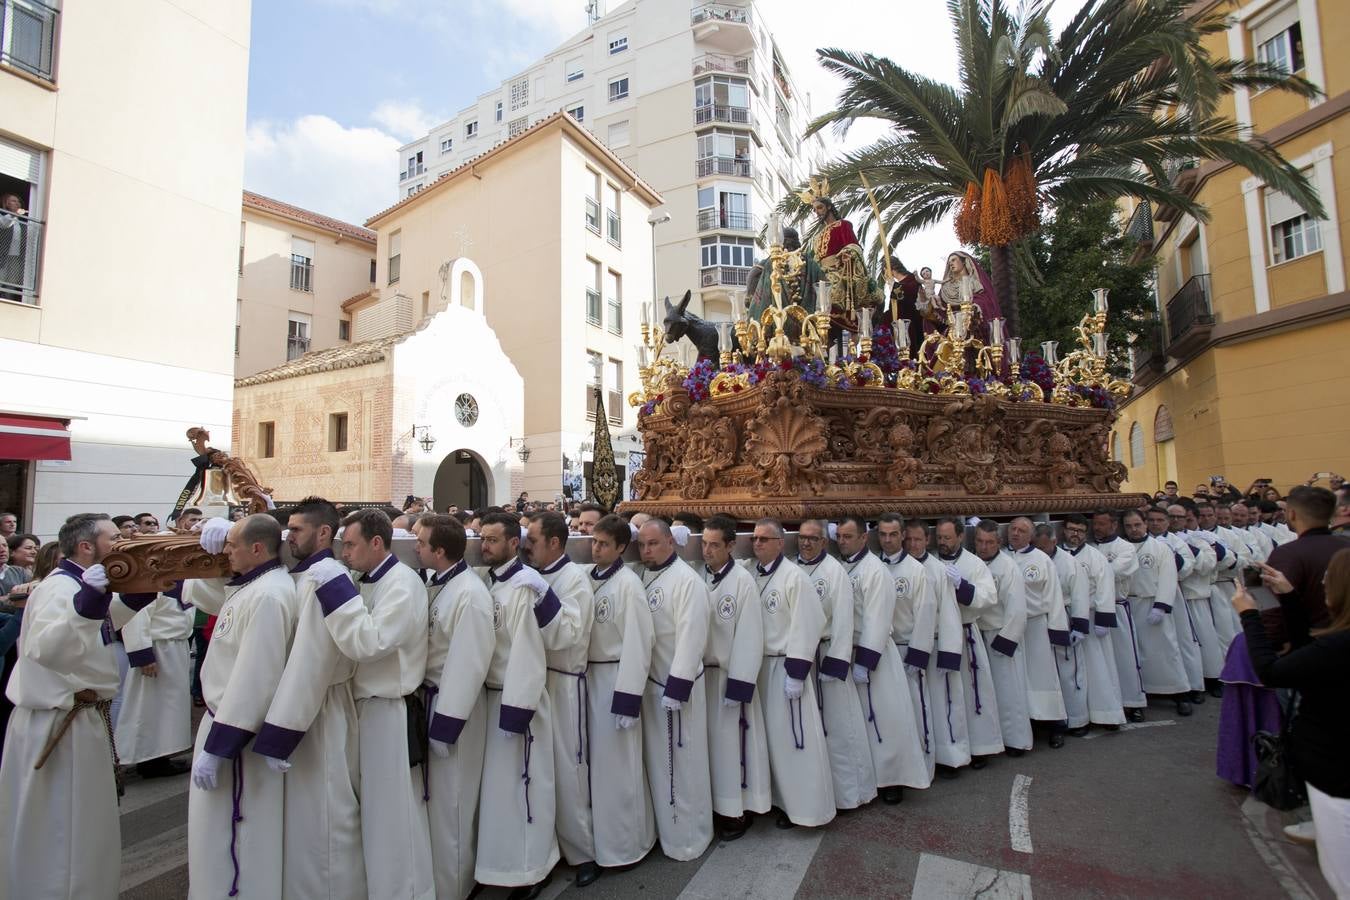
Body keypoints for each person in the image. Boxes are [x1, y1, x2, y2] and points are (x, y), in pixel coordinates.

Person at [304, 508, 435, 900]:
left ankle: (405, 891)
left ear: (376, 543)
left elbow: (372, 642)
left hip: (386, 708)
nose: (344, 553)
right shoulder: (365, 578)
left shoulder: (402, 584)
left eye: (351, 545)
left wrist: (337, 596)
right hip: (360, 706)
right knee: (365, 810)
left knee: (390, 812)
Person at [0, 514, 122, 900]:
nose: (123, 543)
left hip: (75, 718)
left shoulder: (78, 583)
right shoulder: (59, 588)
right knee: (63, 828)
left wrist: (132, 601)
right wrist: (88, 604)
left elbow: (96, 633)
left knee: (81, 824)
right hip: (59, 722)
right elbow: (48, 648)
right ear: (87, 547)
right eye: (114, 539)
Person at [250, 497, 365, 900]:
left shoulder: (328, 577)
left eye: (296, 529)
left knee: (327, 815)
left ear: (323, 533)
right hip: (297, 706)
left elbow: (313, 658)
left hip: (319, 707)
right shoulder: (298, 574)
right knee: (302, 816)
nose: (288, 536)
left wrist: (283, 730)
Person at [181, 514, 298, 899]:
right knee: (211, 831)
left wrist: (220, 748)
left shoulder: (269, 594)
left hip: (236, 734)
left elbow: (256, 675)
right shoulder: (254, 585)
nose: (225, 551)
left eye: (232, 545)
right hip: (221, 720)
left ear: (258, 548)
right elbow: (216, 597)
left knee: (237, 832)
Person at [1235, 554, 1350, 898]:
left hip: (1337, 775)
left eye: (1329, 578)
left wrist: (1250, 615)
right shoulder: (1336, 644)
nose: (1322, 582)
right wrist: (1287, 598)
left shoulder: (1340, 647)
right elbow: (1307, 654)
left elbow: (1272, 672)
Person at [474, 511, 560, 898]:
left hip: (516, 701)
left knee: (525, 787)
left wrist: (518, 708)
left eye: (493, 540)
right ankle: (501, 866)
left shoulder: (523, 585)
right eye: (482, 539)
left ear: (513, 543)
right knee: (497, 793)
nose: (485, 546)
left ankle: (532, 868)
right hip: (491, 698)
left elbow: (528, 653)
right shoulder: (484, 582)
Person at [416, 514, 494, 900]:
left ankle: (457, 887)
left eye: (420, 542)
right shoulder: (439, 584)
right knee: (436, 799)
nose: (414, 548)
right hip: (432, 700)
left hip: (454, 708)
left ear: (439, 550)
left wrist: (447, 725)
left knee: (454, 801)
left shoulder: (469, 594)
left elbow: (469, 663)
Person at [524, 511, 598, 886]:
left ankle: (583, 852)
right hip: (537, 682)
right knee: (539, 772)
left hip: (565, 682)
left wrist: (541, 596)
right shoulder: (536, 574)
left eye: (533, 540)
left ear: (555, 542)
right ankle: (546, 850)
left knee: (570, 769)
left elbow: (567, 634)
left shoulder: (574, 580)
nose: (526, 547)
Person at [747, 517, 834, 827]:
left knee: (792, 740)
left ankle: (803, 807)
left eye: (765, 539)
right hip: (758, 666)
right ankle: (773, 799)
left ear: (781, 544)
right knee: (765, 740)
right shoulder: (750, 574)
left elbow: (809, 623)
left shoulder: (794, 578)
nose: (757, 543)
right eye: (755, 538)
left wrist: (796, 673)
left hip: (784, 666)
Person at [636, 518, 713, 859]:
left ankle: (690, 837)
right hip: (651, 686)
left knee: (684, 765)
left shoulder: (686, 581)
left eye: (653, 544)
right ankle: (666, 831)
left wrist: (677, 687)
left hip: (676, 690)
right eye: (642, 545)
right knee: (659, 764)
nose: (646, 551)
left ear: (670, 541)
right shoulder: (642, 575)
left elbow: (692, 637)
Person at [837, 514, 927, 801]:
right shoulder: (842, 566)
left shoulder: (874, 570)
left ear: (864, 538)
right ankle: (869, 777)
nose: (842, 541)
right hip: (847, 651)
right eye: (839, 536)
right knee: (858, 721)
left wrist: (866, 660)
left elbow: (878, 618)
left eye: (848, 536)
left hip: (873, 654)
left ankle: (893, 779)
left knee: (886, 719)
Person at [585, 515, 657, 867]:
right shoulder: (588, 577)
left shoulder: (628, 584)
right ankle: (602, 840)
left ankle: (628, 845)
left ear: (620, 548)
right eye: (593, 542)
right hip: (589, 680)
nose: (595, 548)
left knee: (619, 766)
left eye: (602, 544)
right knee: (596, 768)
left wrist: (627, 699)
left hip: (615, 681)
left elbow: (639, 642)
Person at [797, 518, 877, 810]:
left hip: (829, 654)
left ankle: (852, 792)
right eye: (803, 537)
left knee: (841, 728)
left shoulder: (834, 571)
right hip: (805, 657)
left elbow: (844, 620)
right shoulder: (794, 569)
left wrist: (837, 662)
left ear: (824, 542)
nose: (806, 543)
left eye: (813, 538)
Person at [700, 515, 770, 838]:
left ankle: (737, 810)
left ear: (730, 546)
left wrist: (740, 684)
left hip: (730, 678)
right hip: (704, 679)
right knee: (709, 749)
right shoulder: (699, 576)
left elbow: (750, 635)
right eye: (703, 544)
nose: (707, 550)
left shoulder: (742, 581)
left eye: (715, 545)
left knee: (732, 746)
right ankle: (713, 805)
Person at [877, 513, 942, 779]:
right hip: (882, 650)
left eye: (893, 534)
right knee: (889, 714)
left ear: (902, 535)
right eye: (883, 534)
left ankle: (924, 766)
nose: (888, 540)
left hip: (906, 649)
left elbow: (925, 615)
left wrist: (917, 657)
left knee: (917, 708)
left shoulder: (916, 571)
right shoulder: (874, 567)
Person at [935, 517, 1005, 761]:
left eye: (948, 538)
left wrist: (962, 586)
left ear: (960, 537)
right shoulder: (932, 562)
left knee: (975, 691)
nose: (943, 542)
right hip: (943, 636)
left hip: (966, 635)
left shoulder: (973, 563)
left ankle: (982, 747)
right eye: (940, 538)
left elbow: (988, 596)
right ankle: (954, 750)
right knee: (948, 696)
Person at [904, 519, 970, 772]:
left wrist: (949, 652)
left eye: (918, 539)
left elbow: (950, 613)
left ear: (927, 541)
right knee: (917, 707)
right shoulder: (898, 567)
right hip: (908, 646)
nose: (913, 544)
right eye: (908, 539)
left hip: (934, 644)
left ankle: (951, 757)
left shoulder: (937, 570)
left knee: (943, 704)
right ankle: (923, 757)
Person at [114, 576, 194, 778]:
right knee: (148, 707)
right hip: (158, 648)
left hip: (174, 646)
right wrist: (142, 655)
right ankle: (148, 759)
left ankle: (159, 754)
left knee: (166, 710)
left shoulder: (182, 578)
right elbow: (136, 616)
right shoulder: (152, 578)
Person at [1004, 518, 1069, 748]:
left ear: (1030, 535)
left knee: (1043, 677)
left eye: (1022, 530)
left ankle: (1055, 725)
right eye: (1013, 529)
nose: (1015, 534)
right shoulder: (1003, 558)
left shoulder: (1041, 560)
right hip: (1011, 627)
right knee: (1017, 678)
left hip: (1035, 626)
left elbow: (1054, 596)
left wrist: (1057, 629)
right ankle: (1026, 724)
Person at [1120, 510, 1191, 716]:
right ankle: (1140, 696)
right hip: (1130, 605)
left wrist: (1161, 606)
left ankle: (1180, 692)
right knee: (1134, 654)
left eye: (1137, 525)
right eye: (1129, 526)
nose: (1133, 530)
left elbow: (1169, 577)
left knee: (1166, 650)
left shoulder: (1160, 548)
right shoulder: (1122, 548)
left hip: (1152, 604)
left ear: (1145, 525)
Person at [1259, 486, 1347, 649]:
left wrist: (1275, 642)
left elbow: (1271, 606)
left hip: (1309, 646)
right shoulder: (1346, 546)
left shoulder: (1287, 554)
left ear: (1291, 514)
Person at [972, 520, 1033, 756]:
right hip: (978, 634)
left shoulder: (1007, 567)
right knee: (985, 693)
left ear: (999, 542)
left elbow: (1017, 607)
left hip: (1000, 634)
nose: (983, 547)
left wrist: (1007, 639)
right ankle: (990, 740)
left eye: (989, 542)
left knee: (1009, 691)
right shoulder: (973, 564)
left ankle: (1016, 740)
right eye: (979, 541)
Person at [1036, 523, 1091, 736]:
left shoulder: (1069, 563)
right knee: (1047, 674)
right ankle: (1052, 719)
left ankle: (1078, 719)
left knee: (1070, 671)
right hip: (1042, 620)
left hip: (1065, 617)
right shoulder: (1032, 560)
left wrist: (1079, 625)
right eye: (1037, 548)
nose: (1041, 553)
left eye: (1044, 548)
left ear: (1054, 541)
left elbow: (1079, 594)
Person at [1092, 510, 1146, 721]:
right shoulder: (1091, 547)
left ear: (1114, 525)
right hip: (1095, 610)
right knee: (1102, 662)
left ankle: (1134, 702)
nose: (1097, 528)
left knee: (1125, 658)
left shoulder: (1125, 548)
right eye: (1095, 524)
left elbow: (1111, 573)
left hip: (1117, 608)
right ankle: (1109, 703)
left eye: (1102, 524)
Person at [1151, 506, 1206, 701]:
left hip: (1173, 596)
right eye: (1152, 520)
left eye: (1160, 520)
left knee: (1182, 641)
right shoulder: (1143, 541)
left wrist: (1171, 554)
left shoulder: (1177, 541)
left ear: (1167, 522)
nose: (1156, 524)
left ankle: (1192, 686)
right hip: (1148, 597)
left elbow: (1189, 567)